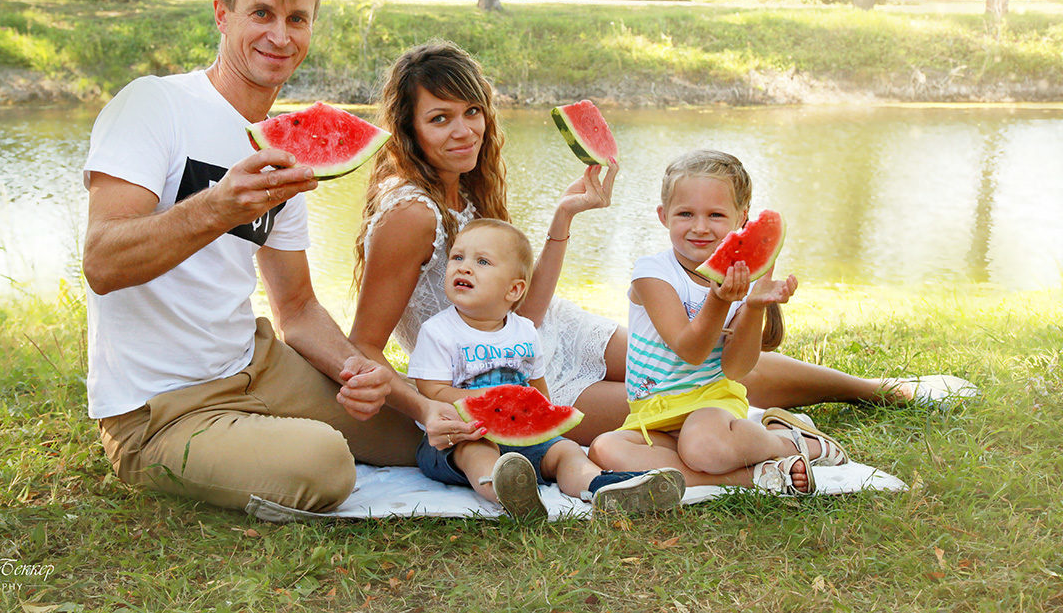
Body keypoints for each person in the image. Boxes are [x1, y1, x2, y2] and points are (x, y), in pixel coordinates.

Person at [350, 41, 975, 447]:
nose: (463, 131)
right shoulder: (410, 214)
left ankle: (885, 391)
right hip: (504, 369)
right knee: (682, 391)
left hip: (550, 331)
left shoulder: (466, 189)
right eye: (439, 118)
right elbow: (366, 347)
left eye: (471, 112)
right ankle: (776, 433)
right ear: (407, 127)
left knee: (702, 360)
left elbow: (528, 310)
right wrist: (430, 404)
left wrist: (564, 217)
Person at [82, 0, 458, 515]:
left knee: (424, 438)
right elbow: (102, 264)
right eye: (261, 13)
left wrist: (389, 388)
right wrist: (220, 206)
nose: (280, 36)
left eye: (297, 18)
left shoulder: (282, 151)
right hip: (160, 409)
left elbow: (299, 310)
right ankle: (238, 446)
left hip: (255, 364)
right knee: (325, 465)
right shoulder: (153, 106)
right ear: (221, 14)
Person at [588, 150, 851, 494]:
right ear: (663, 215)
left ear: (742, 219)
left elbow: (736, 368)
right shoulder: (652, 273)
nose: (700, 227)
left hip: (712, 405)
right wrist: (721, 298)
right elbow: (689, 348)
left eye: (715, 214)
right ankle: (761, 476)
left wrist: (753, 307)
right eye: (685, 214)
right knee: (605, 449)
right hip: (653, 413)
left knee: (701, 448)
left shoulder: (738, 284)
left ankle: (795, 443)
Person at [409, 218, 685, 517]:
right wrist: (487, 400)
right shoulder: (439, 331)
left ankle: (600, 487)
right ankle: (507, 490)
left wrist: (541, 414)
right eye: (457, 258)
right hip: (459, 437)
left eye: (482, 261)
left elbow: (538, 387)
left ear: (514, 290)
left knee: (565, 451)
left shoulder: (525, 330)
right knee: (476, 452)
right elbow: (431, 389)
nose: (463, 267)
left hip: (526, 437)